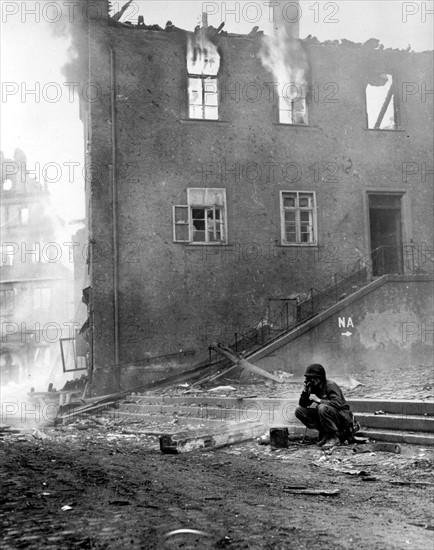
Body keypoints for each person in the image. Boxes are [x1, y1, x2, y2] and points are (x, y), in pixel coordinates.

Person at [295, 363, 357, 448]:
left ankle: (333, 437)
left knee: (322, 407)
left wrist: (318, 400)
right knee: (299, 411)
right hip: (328, 415)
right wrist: (305, 392)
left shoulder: (331, 386)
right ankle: (326, 434)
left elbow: (338, 403)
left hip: (342, 417)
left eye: (312, 378)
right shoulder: (313, 387)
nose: (310, 381)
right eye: (308, 378)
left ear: (319, 378)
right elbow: (303, 404)